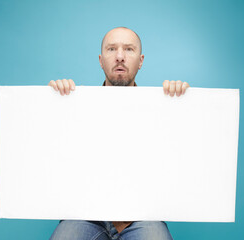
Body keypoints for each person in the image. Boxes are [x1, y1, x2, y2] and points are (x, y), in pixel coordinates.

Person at [48, 27, 190, 240]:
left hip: (142, 216)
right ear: (100, 60)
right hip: (84, 214)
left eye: (129, 49)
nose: (120, 56)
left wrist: (181, 101)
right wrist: (53, 101)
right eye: (112, 49)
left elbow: (182, 156)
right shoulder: (74, 104)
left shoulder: (161, 108)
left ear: (141, 61)